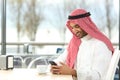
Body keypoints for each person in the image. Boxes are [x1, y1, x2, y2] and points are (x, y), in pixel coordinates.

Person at [50, 9, 114, 80]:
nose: (74, 31)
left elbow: (97, 76)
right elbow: (62, 59)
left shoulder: (101, 45)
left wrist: (72, 72)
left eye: (77, 26)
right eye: (72, 27)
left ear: (85, 25)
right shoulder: (75, 42)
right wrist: (55, 66)